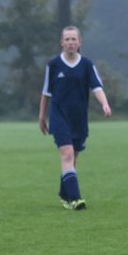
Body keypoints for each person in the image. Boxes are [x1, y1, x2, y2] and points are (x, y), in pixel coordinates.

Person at [38, 26, 111, 210]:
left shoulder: (86, 64)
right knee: (67, 155)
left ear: (80, 42)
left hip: (78, 119)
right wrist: (41, 117)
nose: (70, 43)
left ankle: (64, 194)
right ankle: (75, 199)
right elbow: (46, 93)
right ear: (61, 42)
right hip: (59, 116)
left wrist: (104, 103)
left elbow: (97, 87)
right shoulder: (53, 65)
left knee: (73, 159)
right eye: (67, 39)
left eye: (73, 39)